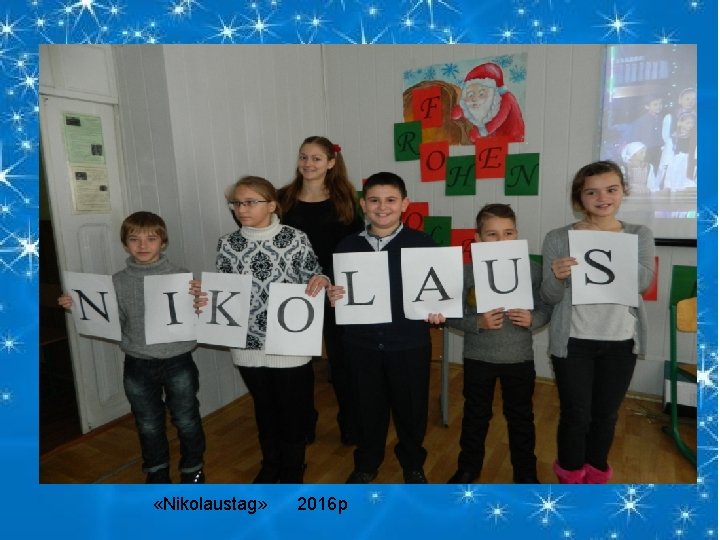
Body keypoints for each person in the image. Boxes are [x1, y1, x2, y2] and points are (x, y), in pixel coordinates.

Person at [193, 175, 329, 484]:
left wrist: (321, 280)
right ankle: (271, 464)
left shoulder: (295, 238)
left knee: (291, 409)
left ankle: (293, 468)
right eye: (237, 203)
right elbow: (225, 289)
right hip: (246, 341)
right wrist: (205, 297)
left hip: (289, 340)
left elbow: (314, 273)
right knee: (264, 407)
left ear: (272, 205)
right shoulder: (228, 243)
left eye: (250, 202)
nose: (242, 209)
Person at [58, 211, 206, 484]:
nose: (142, 245)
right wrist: (77, 306)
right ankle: (157, 471)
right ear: (125, 244)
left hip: (178, 360)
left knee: (186, 418)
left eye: (151, 238)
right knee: (147, 422)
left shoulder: (182, 276)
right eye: (134, 239)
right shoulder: (117, 282)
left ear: (163, 242)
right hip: (138, 362)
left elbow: (196, 317)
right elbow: (113, 320)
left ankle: (192, 468)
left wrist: (201, 302)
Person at [540, 161, 655, 484]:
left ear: (623, 192)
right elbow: (548, 296)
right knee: (576, 415)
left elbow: (643, 283)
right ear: (580, 198)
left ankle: (595, 475)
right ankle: (570, 477)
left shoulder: (639, 234)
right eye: (592, 192)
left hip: (621, 341)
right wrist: (556, 276)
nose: (602, 198)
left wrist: (607, 240)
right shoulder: (558, 238)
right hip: (573, 341)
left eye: (611, 190)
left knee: (605, 416)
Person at [327, 172, 445, 484]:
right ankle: (367, 463)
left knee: (411, 409)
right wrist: (333, 295)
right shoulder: (347, 246)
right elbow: (340, 290)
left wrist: (439, 310)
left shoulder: (422, 244)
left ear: (405, 204)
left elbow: (437, 290)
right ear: (363, 204)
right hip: (361, 345)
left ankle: (412, 464)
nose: (382, 207)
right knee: (367, 409)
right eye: (374, 200)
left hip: (408, 344)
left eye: (391, 200)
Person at [446, 203, 551, 484]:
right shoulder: (466, 272)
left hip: (519, 358)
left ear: (517, 235)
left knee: (521, 417)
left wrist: (533, 319)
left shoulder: (532, 270)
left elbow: (547, 307)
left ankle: (525, 473)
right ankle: (468, 468)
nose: (501, 240)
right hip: (478, 357)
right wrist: (476, 323)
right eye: (492, 234)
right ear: (478, 239)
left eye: (508, 233)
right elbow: (449, 313)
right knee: (475, 416)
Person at [278, 136, 363, 446]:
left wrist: (332, 280)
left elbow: (354, 248)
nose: (308, 163)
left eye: (316, 158)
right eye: (303, 157)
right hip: (295, 293)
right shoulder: (282, 198)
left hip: (334, 292)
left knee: (342, 362)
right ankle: (304, 423)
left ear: (330, 162)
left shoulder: (345, 200)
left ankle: (351, 423)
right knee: (298, 366)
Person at [450, 62, 525, 143]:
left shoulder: (506, 99)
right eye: (471, 94)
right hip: (491, 140)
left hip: (511, 138)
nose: (474, 99)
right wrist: (462, 110)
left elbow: (497, 120)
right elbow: (472, 112)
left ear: (494, 92)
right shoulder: (483, 102)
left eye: (481, 94)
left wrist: (481, 132)